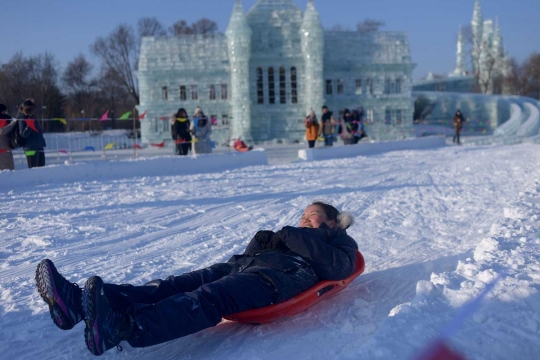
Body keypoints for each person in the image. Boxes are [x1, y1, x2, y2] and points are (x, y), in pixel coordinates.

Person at [35, 201, 358, 356]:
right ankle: (77, 303)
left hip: (277, 280)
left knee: (207, 297)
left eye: (311, 215)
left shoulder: (337, 240)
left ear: (331, 223)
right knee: (171, 285)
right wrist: (263, 241)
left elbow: (340, 268)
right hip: (242, 267)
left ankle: (121, 327)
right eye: (302, 215)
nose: (303, 219)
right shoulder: (291, 235)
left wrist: (291, 234)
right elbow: (250, 255)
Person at [17, 99, 46, 168]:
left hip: (39, 146)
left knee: (41, 168)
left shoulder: (32, 118)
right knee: (33, 168)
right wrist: (29, 126)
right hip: (30, 148)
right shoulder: (22, 119)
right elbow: (23, 134)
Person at [0, 104, 17, 171]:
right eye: (3, 111)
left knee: (9, 167)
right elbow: (2, 131)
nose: (4, 113)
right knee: (6, 169)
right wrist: (12, 123)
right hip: (2, 147)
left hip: (6, 146)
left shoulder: (7, 118)